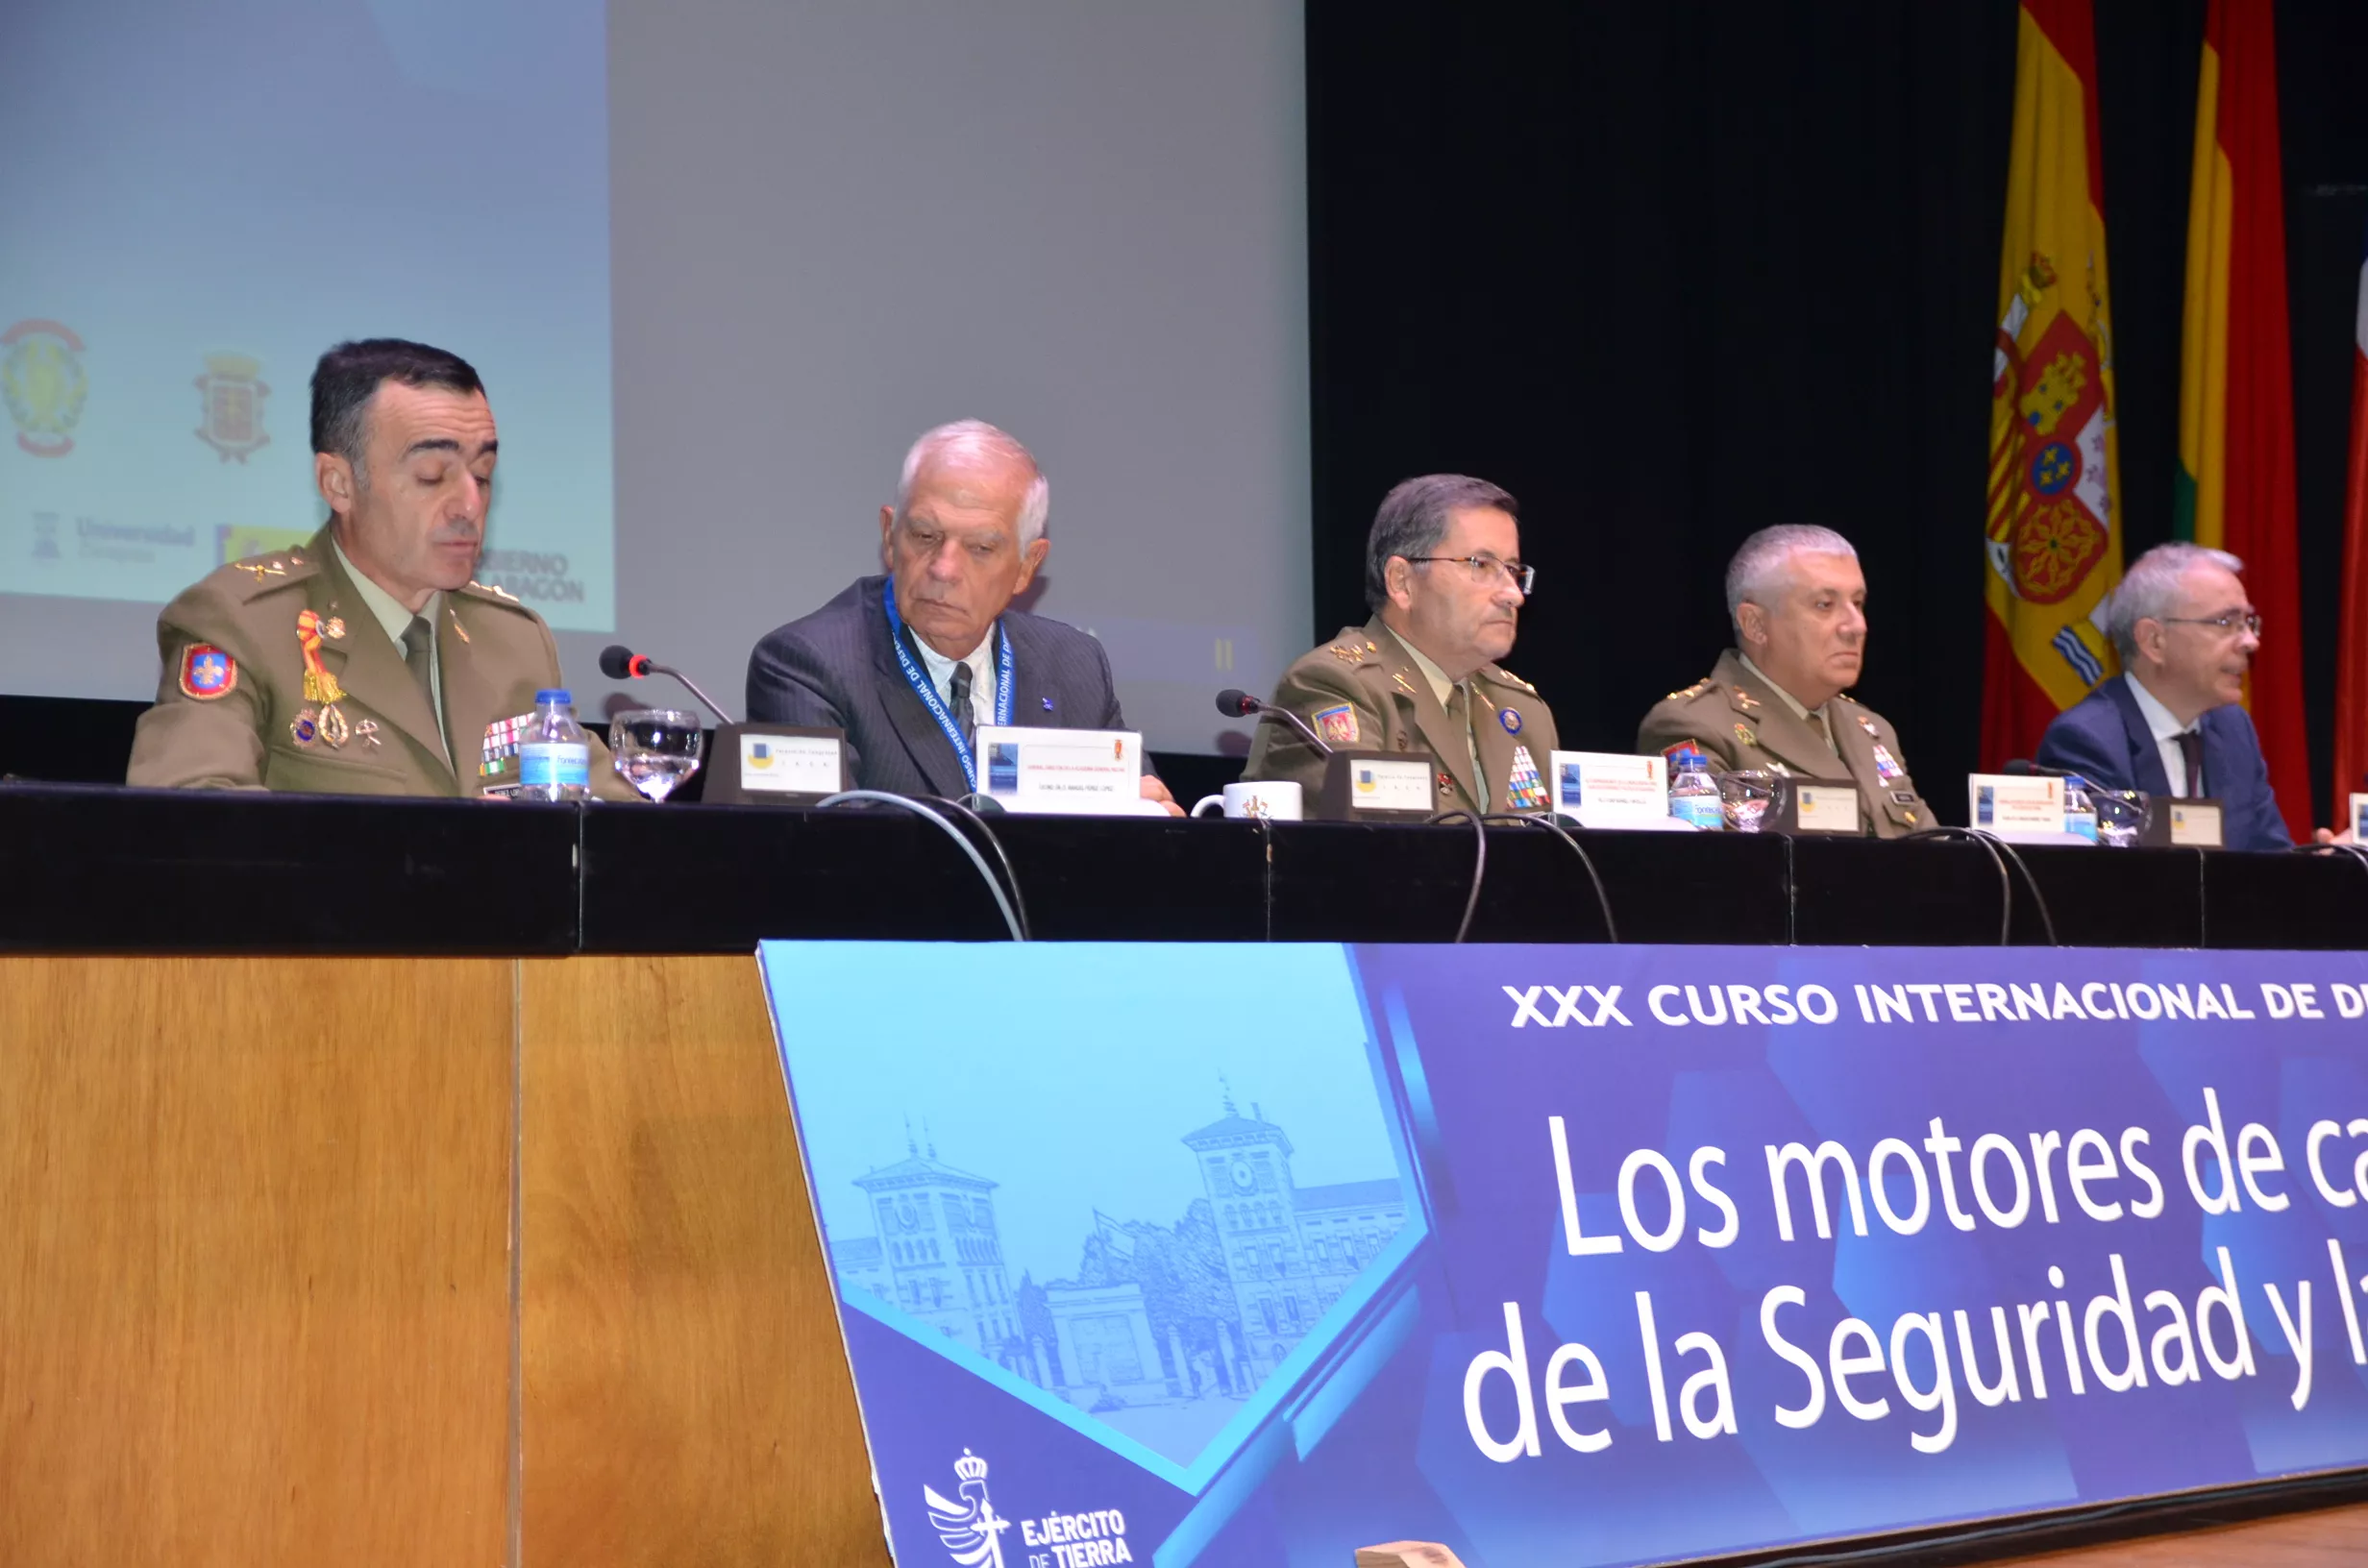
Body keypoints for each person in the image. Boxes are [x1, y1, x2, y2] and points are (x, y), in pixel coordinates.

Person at [127, 338, 632, 799]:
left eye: (483, 474)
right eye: (432, 475)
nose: (469, 504)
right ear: (338, 484)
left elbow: (621, 836)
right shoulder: (243, 623)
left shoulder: (513, 643)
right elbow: (191, 821)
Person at [746, 420, 1177, 812]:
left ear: (1027, 565)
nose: (944, 569)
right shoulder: (805, 666)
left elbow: (1142, 829)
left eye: (981, 549)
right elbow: (829, 861)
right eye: (925, 536)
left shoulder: (1076, 666)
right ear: (890, 538)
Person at [1246, 475, 1558, 815]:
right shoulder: (1335, 686)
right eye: (1480, 565)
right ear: (1401, 582)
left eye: (1512, 570)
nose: (1513, 594)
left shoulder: (1522, 710)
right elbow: (1376, 851)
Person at [1638, 525, 1928, 836]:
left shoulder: (1871, 730)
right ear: (1756, 625)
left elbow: (1936, 859)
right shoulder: (1696, 726)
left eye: (1857, 603)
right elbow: (1715, 873)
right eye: (1825, 605)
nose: (1856, 626)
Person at [2036, 543, 2291, 851]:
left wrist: (2332, 865)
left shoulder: (2234, 729)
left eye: (2249, 623)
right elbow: (2102, 881)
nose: (2250, 642)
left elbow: (2272, 861)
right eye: (2226, 623)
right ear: (2154, 640)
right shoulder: (2086, 741)